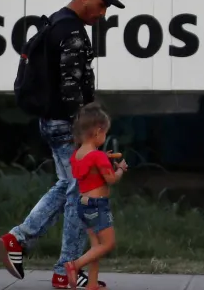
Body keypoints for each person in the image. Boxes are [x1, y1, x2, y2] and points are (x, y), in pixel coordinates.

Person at [0, 0, 125, 289]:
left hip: (51, 121)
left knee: (68, 186)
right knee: (81, 191)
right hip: (68, 125)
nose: (102, 12)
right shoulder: (71, 32)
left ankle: (21, 241)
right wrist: (84, 136)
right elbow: (72, 90)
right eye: (100, 3)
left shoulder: (55, 22)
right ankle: (64, 268)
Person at [64, 103, 128, 290]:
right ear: (98, 131)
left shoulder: (77, 155)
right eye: (105, 133)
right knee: (108, 243)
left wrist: (103, 159)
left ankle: (92, 285)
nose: (105, 136)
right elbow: (111, 179)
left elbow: (89, 169)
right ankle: (74, 266)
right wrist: (121, 170)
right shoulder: (98, 156)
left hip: (82, 205)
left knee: (95, 246)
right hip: (97, 205)